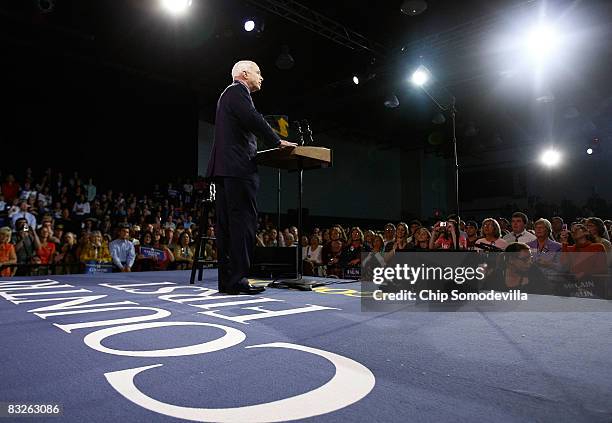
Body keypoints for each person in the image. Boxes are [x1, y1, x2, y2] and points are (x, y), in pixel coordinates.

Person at [205, 60, 296, 294]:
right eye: (258, 72)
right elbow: (253, 118)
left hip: (225, 169)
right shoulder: (238, 91)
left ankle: (228, 281)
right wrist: (276, 140)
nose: (261, 77)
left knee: (227, 227)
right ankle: (239, 279)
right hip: (238, 169)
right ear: (244, 74)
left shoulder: (228, 95)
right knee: (243, 224)